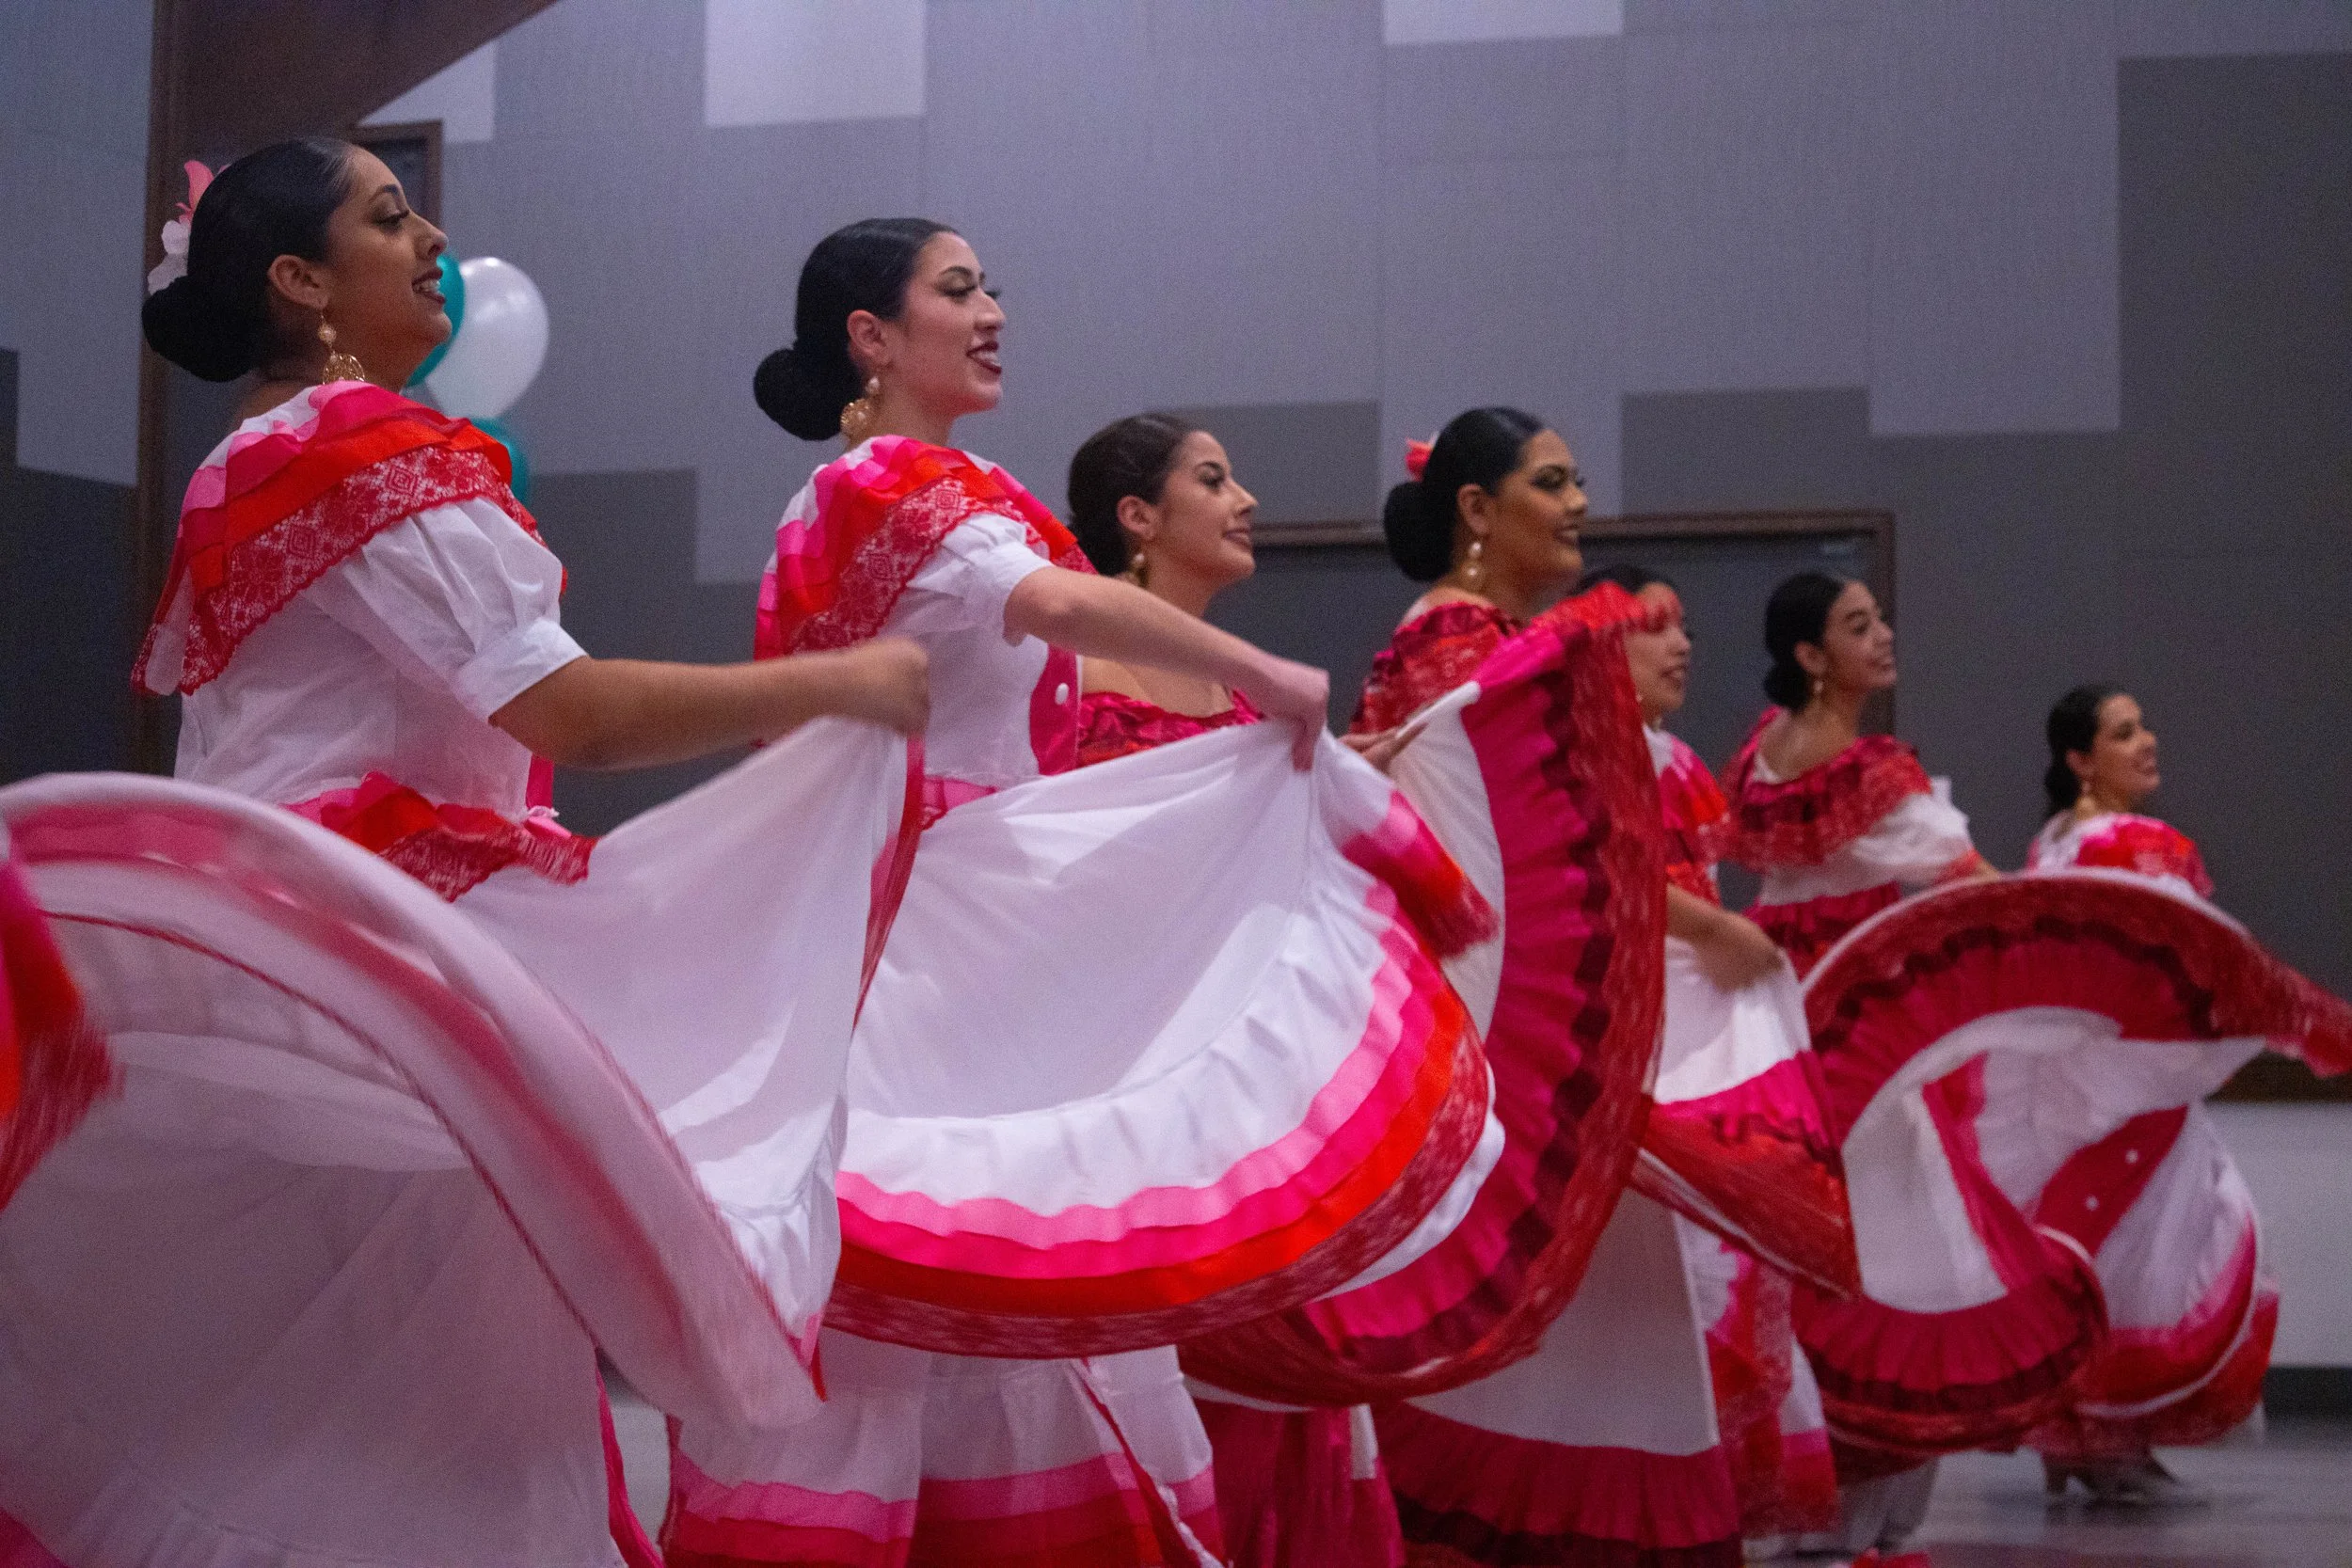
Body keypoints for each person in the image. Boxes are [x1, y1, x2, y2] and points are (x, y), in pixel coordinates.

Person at [0, 136, 930, 1568]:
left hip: (288, 958)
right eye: (391, 217)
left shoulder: (249, 454)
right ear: (302, 280)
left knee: (319, 1375)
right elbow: (566, 710)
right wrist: (840, 682)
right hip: (381, 956)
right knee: (436, 1385)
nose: (434, 238)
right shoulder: (354, 448)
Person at [665, 220, 1501, 1568]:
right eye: (958, 289)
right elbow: (1054, 604)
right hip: (931, 932)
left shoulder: (921, 489)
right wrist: (1263, 673)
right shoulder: (885, 481)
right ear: (872, 337)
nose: (992, 310)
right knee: (956, 1263)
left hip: (957, 923)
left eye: (989, 286)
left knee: (992, 1279)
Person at [1334, 415, 1742, 1567]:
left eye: (1576, 481)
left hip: (1544, 1021)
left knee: (1600, 1311)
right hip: (1506, 1029)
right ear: (1477, 507)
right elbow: (1493, 858)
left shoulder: (1500, 642)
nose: (1576, 504)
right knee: (1542, 1300)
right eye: (1550, 482)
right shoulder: (1458, 643)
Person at [1066, 410, 1406, 1568]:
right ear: (1138, 517)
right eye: (1213, 479)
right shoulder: (1069, 674)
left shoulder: (1249, 700)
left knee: (1276, 1348)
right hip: (1119, 1065)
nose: (1245, 498)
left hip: (1240, 1069)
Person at [1575, 565, 1843, 1555]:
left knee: (1715, 1250)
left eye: (1684, 625)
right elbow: (1604, 874)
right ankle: (1641, 1496)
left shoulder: (1673, 757)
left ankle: (1708, 1497)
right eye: (1654, 628)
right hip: (1626, 1017)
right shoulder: (1581, 752)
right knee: (1658, 1255)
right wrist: (1716, 934)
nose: (1682, 644)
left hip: (1694, 1019)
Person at [2023, 685, 2264, 1501]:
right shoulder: (2142, 843)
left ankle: (2078, 1435)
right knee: (2155, 1241)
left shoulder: (2051, 842)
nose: (2148, 741)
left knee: (2095, 1236)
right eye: (2125, 733)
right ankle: (2107, 1437)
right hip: (2136, 1069)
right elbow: (2193, 955)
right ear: (2081, 760)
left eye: (2143, 726)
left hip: (2071, 1067)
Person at [1719, 572, 1993, 977]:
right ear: (1812, 657)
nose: (1885, 636)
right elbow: (1972, 878)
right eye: (1861, 628)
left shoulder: (1765, 739)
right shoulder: (1864, 774)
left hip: (1777, 960)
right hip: (1849, 963)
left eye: (1880, 620)